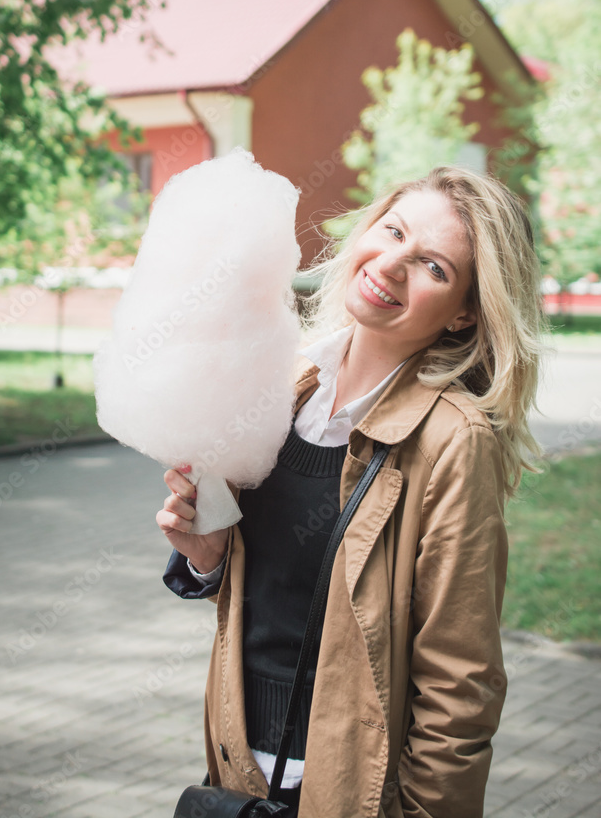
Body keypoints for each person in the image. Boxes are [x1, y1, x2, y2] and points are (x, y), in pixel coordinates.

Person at [157, 166, 544, 818]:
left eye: (433, 267)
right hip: (236, 765)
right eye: (392, 231)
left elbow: (460, 682)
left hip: (350, 784)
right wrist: (208, 558)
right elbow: (278, 592)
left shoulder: (453, 440)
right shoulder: (282, 388)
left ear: (463, 315)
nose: (391, 265)